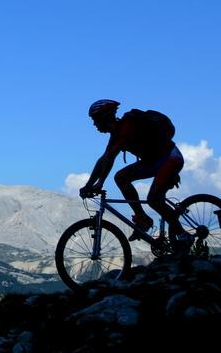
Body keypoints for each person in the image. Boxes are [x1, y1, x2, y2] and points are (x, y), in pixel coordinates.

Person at [78, 99, 191, 249]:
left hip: (170, 158)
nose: (94, 125)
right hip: (153, 162)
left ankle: (184, 235)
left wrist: (97, 184)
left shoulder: (126, 127)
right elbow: (105, 160)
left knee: (154, 200)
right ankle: (142, 218)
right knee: (121, 177)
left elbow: (109, 157)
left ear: (104, 117)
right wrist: (90, 185)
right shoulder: (116, 134)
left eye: (95, 120)